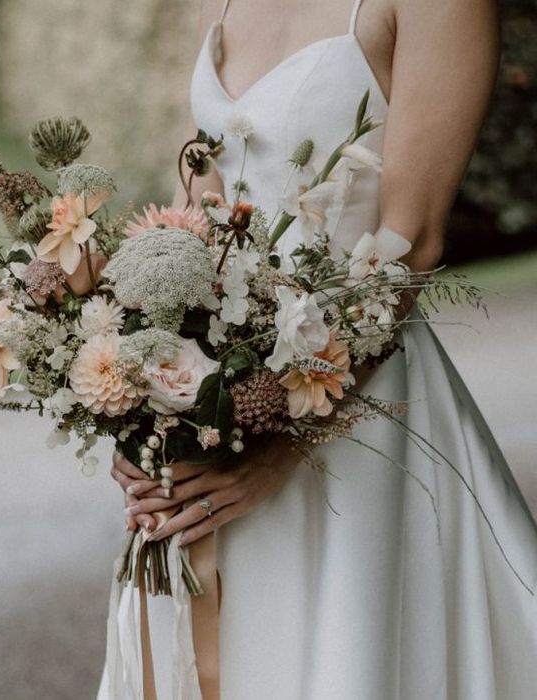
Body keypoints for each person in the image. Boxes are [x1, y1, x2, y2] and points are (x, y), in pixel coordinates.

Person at [99, 0, 537, 697]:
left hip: (358, 412)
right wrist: (142, 403)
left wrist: (289, 443)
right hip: (224, 395)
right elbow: (198, 215)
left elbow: (412, 239)